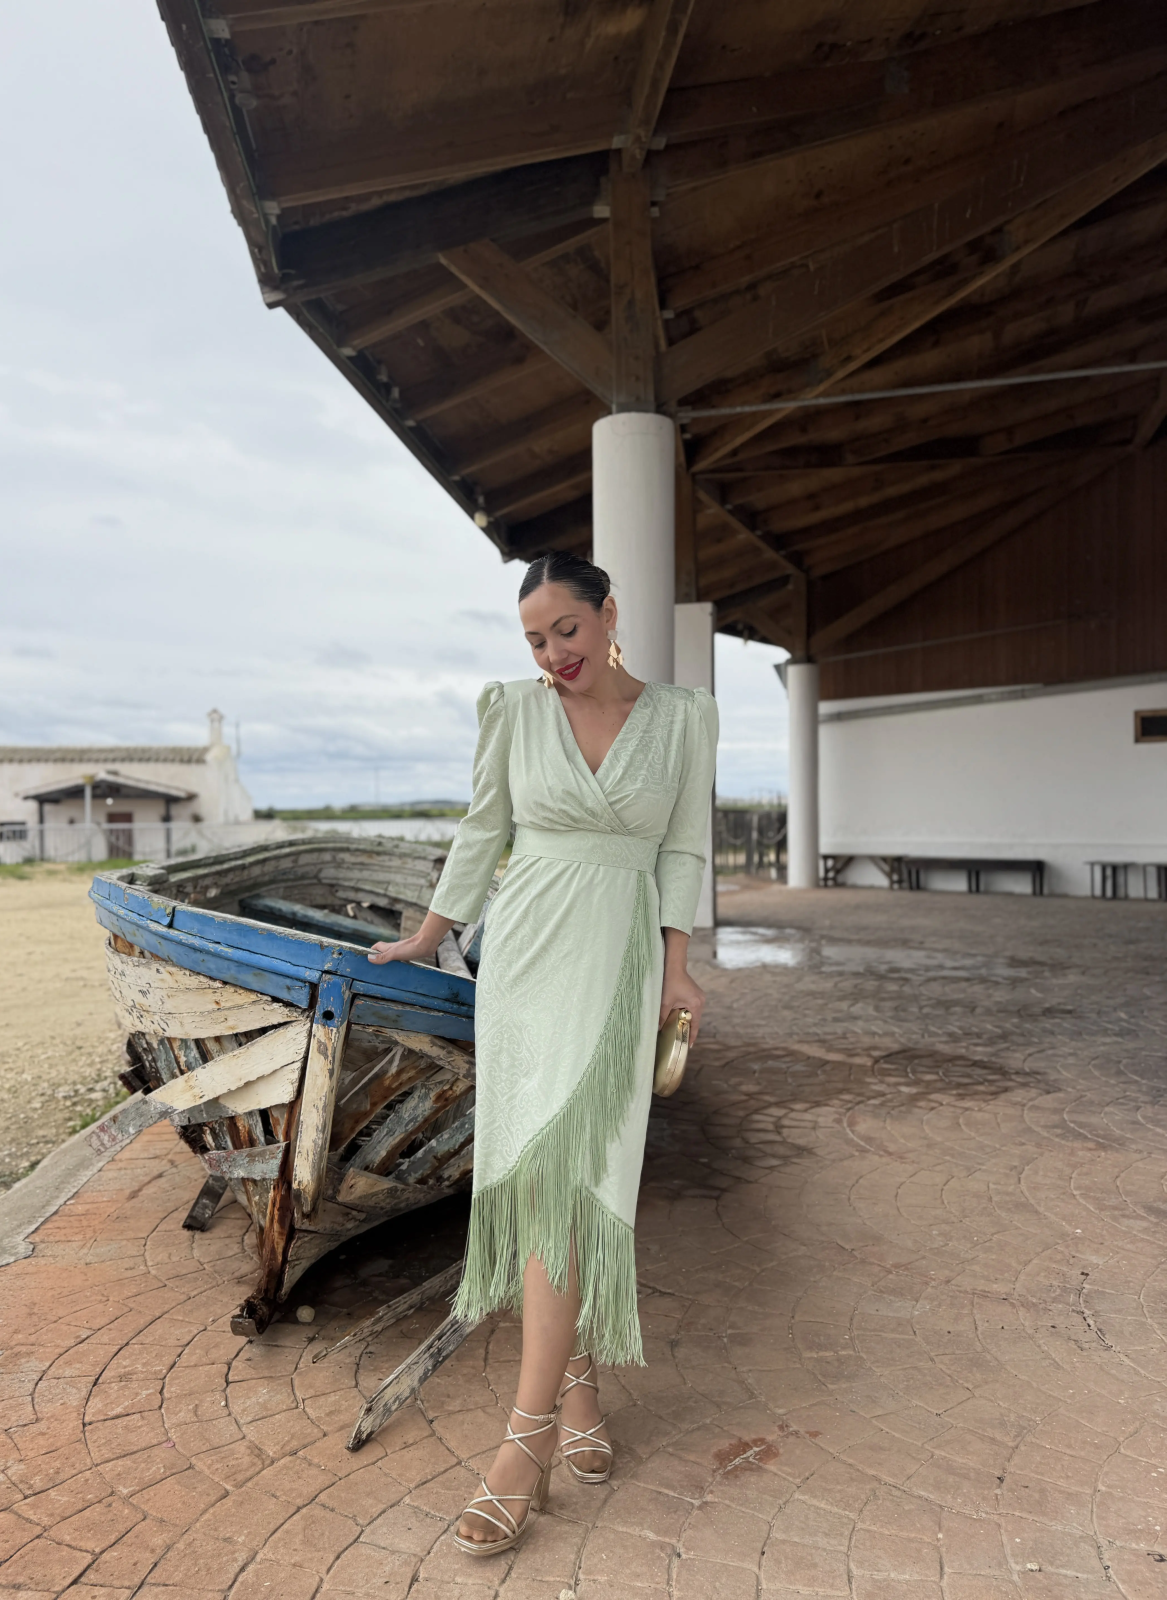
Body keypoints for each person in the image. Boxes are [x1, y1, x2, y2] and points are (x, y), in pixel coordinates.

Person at [368, 550, 718, 1554]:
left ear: (608, 614)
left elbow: (682, 849)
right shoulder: (512, 712)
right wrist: (430, 935)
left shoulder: (683, 718)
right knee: (540, 1184)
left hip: (618, 959)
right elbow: (484, 830)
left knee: (583, 1181)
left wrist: (679, 968)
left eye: (566, 629)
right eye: (534, 640)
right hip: (525, 959)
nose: (553, 653)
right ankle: (571, 1400)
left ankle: (524, 1440)